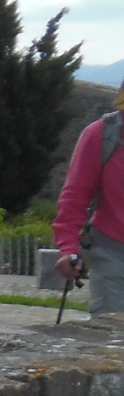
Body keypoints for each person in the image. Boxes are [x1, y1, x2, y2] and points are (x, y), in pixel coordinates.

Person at [53, 95, 124, 316]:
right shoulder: (101, 135)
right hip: (114, 254)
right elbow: (75, 196)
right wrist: (68, 248)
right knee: (113, 331)